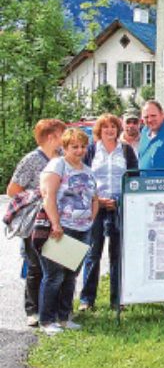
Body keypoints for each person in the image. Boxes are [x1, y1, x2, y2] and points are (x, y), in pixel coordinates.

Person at [38, 128, 98, 335]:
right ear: (64, 148)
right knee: (54, 276)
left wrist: (92, 215)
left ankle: (64, 317)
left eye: (83, 146)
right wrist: (56, 224)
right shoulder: (57, 165)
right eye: (74, 147)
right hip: (62, 229)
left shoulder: (88, 170)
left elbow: (94, 196)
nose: (80, 150)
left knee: (71, 276)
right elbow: (48, 195)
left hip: (83, 229)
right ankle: (46, 320)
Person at [6, 118, 66, 327]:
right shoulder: (32, 159)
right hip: (35, 221)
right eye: (62, 134)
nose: (65, 139)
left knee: (59, 265)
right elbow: (12, 191)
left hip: (58, 219)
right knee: (35, 266)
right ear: (51, 137)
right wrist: (39, 195)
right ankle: (33, 310)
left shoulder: (61, 158)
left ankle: (55, 309)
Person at [79, 114, 138, 311]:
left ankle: (117, 300)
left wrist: (120, 201)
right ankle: (87, 299)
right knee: (93, 253)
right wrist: (96, 199)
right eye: (106, 127)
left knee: (117, 254)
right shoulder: (91, 150)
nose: (110, 130)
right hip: (96, 207)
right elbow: (83, 178)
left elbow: (133, 178)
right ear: (99, 130)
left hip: (118, 207)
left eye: (113, 127)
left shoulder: (126, 150)